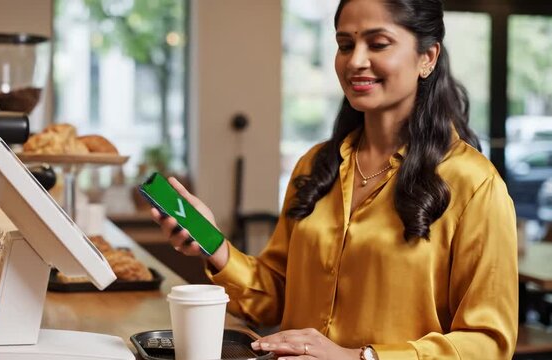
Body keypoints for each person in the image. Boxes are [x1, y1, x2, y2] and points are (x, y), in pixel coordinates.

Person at [151, 0, 518, 358]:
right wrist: (211, 243)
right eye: (345, 45)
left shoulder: (475, 185)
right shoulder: (315, 165)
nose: (356, 61)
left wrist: (361, 356)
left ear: (428, 57)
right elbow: (276, 292)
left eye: (378, 44)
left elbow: (488, 342)